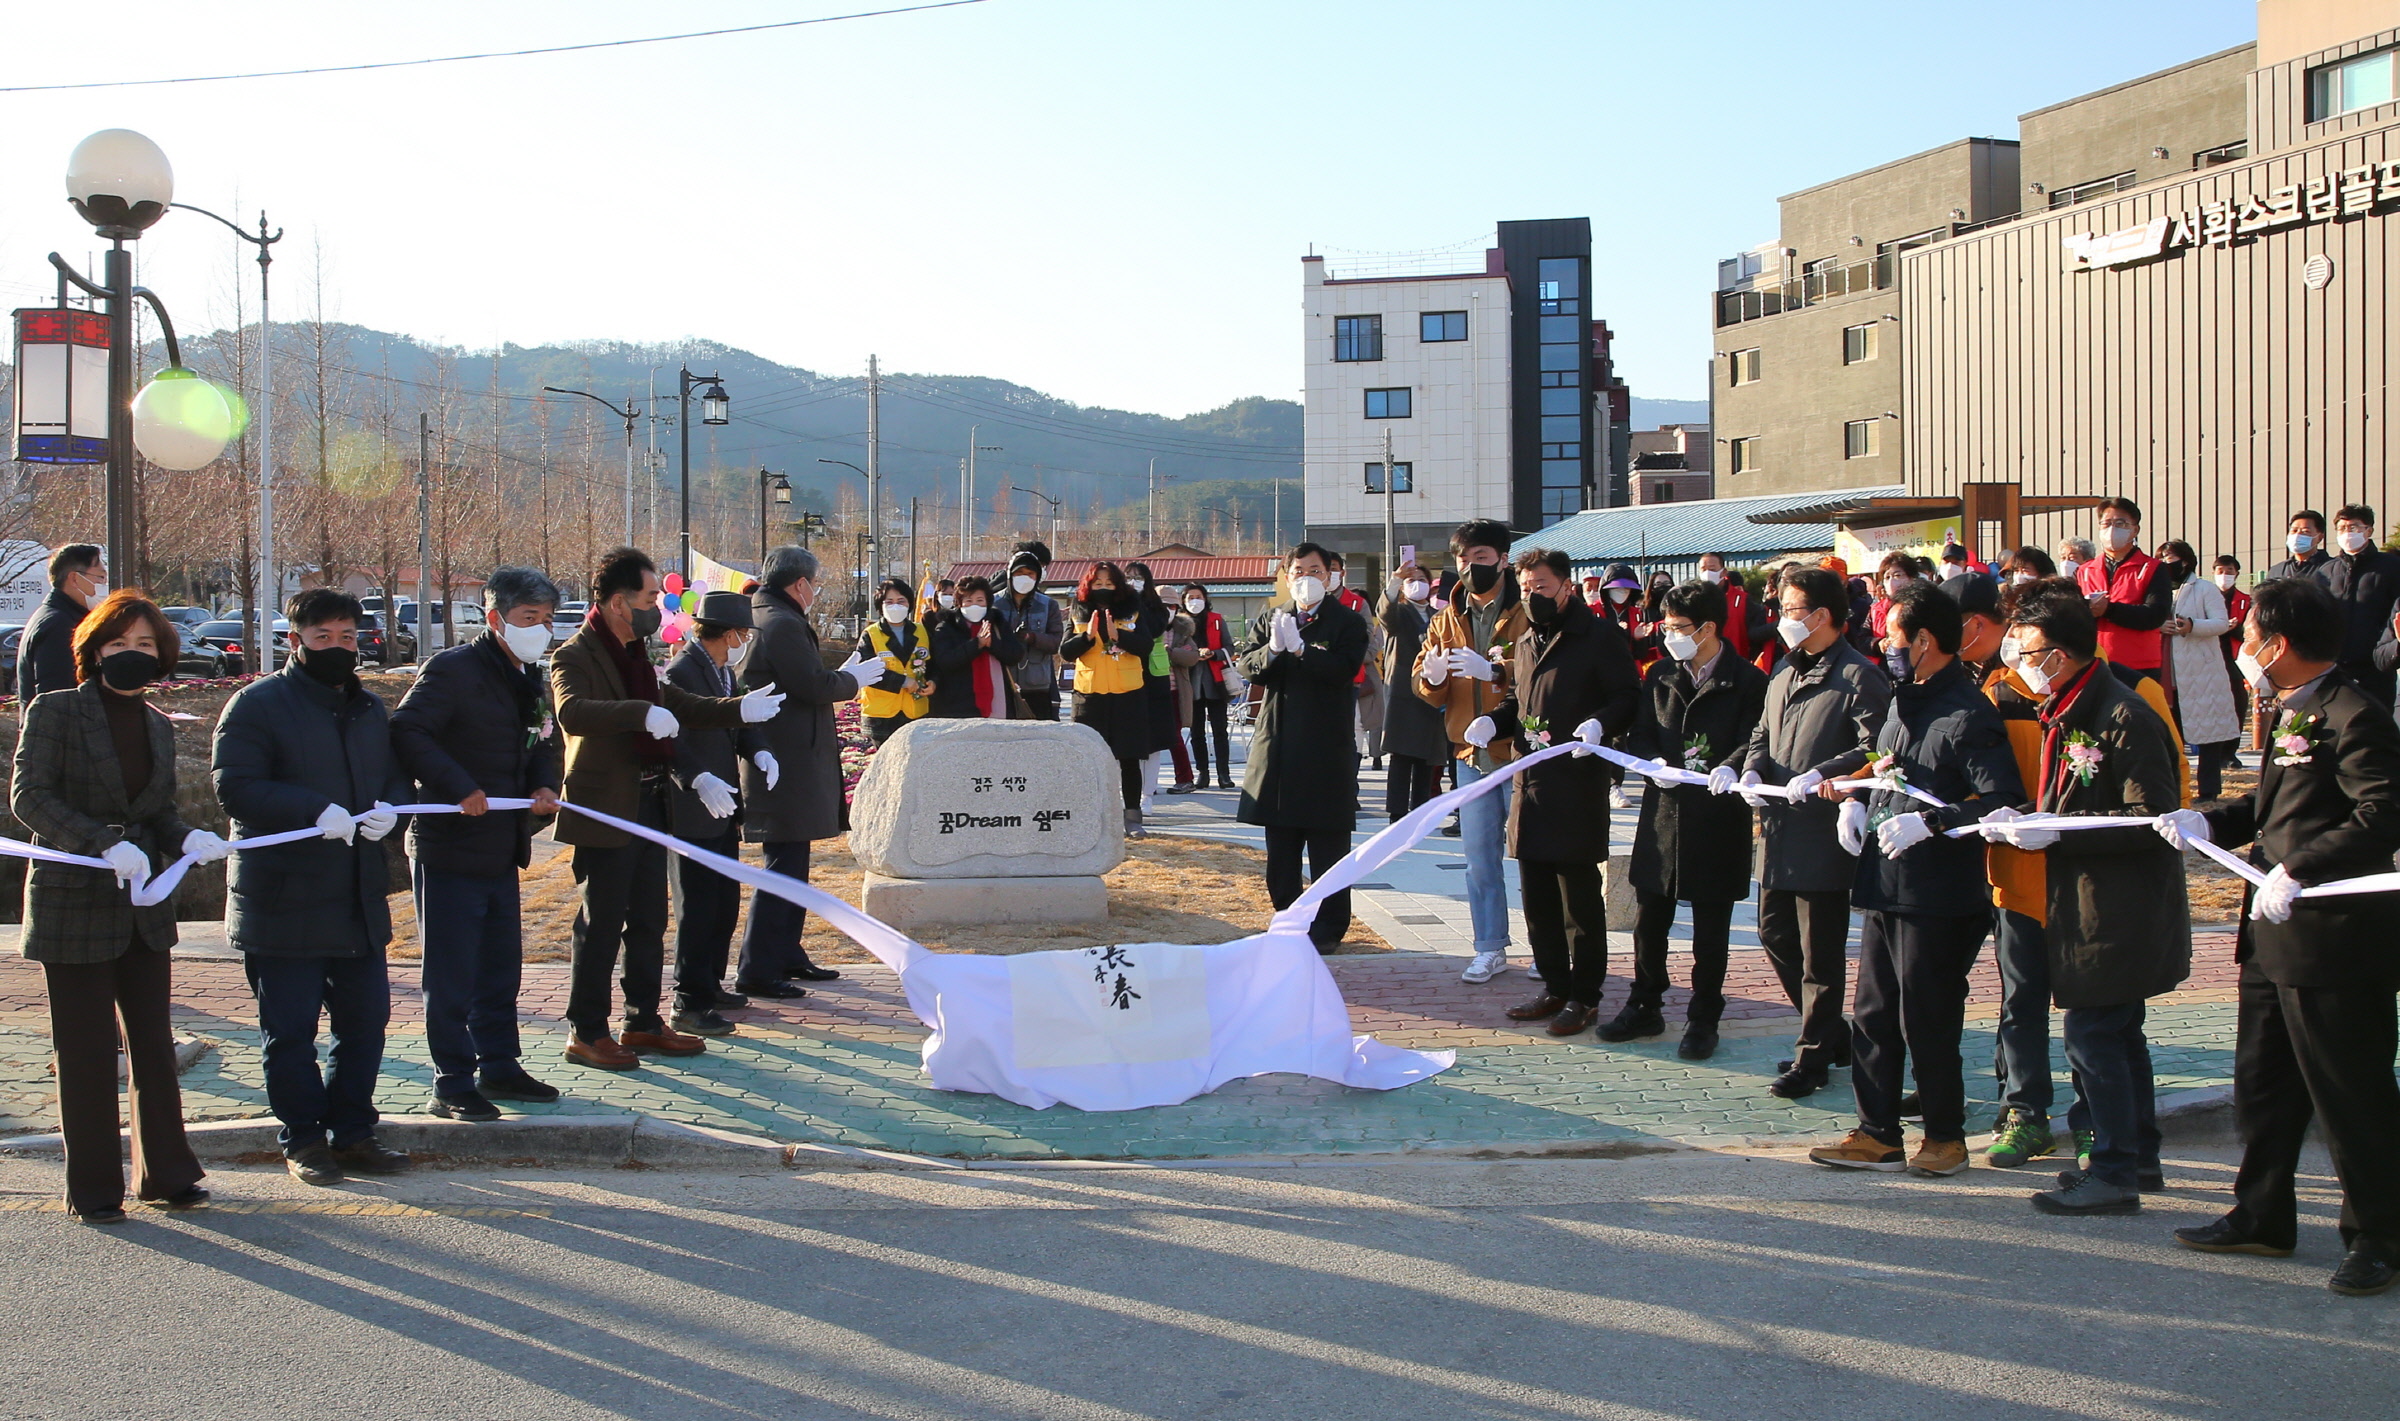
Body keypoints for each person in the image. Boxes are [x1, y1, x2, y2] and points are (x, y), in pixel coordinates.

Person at [2159, 576, 2400, 1296]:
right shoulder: (2295, 709)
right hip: (2272, 934)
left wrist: (2300, 867)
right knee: (2263, 1085)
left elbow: (2381, 816)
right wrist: (2208, 819)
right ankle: (2262, 1212)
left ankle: (2378, 1235)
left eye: (2250, 633)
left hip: (2335, 941)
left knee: (2349, 1094)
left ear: (2281, 642)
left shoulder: (2355, 713)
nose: (2244, 647)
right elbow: (2274, 811)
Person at [12, 592, 222, 1222]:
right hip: (72, 901)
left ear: (162, 656)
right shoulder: (55, 711)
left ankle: (167, 1173)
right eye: (118, 644)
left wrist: (186, 837)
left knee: (153, 1044)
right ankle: (95, 1188)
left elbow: (155, 811)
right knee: (85, 1049)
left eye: (145, 646)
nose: (131, 655)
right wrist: (101, 844)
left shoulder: (158, 722)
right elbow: (30, 797)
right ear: (92, 651)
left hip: (143, 904)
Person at [1808, 583, 2021, 1177]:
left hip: (1938, 894)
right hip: (1884, 880)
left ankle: (1945, 1137)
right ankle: (1877, 1132)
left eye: (1892, 636)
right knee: (1873, 1013)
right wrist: (1855, 797)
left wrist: (1932, 824)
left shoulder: (1969, 713)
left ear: (1925, 641)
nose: (1884, 645)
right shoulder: (1904, 700)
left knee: (1927, 1018)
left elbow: (2002, 801)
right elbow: (1885, 763)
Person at [1988, 587, 2189, 1216]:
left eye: (2028, 648)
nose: (2017, 658)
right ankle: (2138, 1156)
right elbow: (2068, 803)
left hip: (2115, 906)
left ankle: (2113, 1170)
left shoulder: (2121, 712)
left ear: (2062, 652)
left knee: (2095, 1038)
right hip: (2086, 897)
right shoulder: (2064, 707)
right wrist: (2024, 818)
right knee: (2118, 1036)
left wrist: (2060, 833)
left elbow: (2151, 816)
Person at [551, 547, 788, 1071]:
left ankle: (641, 1021)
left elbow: (680, 705)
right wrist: (639, 715)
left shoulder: (639, 657)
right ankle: (586, 1031)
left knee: (648, 919)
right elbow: (572, 711)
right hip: (606, 808)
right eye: (650, 596)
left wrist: (740, 709)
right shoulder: (575, 655)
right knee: (602, 922)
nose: (659, 605)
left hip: (650, 804)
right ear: (618, 602)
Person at [214, 589, 416, 1185]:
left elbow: (396, 779)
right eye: (323, 637)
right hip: (282, 897)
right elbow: (237, 787)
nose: (338, 648)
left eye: (348, 637)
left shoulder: (369, 708)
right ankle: (303, 1137)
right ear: (294, 639)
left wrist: (393, 811)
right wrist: (311, 809)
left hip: (355, 894)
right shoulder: (257, 705)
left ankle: (354, 1131)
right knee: (291, 1030)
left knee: (366, 1021)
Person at [388, 567, 566, 1122]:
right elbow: (407, 732)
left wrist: (544, 784)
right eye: (528, 619)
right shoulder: (454, 671)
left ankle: (500, 1063)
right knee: (451, 971)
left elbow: (545, 738)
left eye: (545, 620)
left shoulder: (529, 675)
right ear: (495, 619)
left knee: (499, 965)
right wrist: (457, 786)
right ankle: (452, 1080)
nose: (539, 630)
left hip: (500, 843)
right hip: (449, 844)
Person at [1739, 566, 1890, 1098]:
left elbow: (1877, 748)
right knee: (1774, 934)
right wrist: (1753, 768)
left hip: (1824, 831)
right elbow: (1763, 729)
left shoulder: (1858, 675)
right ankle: (1832, 1036)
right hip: (1779, 828)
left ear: (1822, 616)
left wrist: (1827, 772)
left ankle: (1812, 1058)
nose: (1781, 620)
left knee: (1819, 953)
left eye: (1791, 610)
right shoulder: (1783, 670)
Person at [1603, 578, 1768, 1059]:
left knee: (1710, 929)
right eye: (1666, 626)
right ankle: (1645, 1004)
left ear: (1709, 628)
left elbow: (1755, 737)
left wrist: (1731, 765)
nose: (1668, 635)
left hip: (1718, 817)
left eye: (1678, 628)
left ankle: (1704, 1017)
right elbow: (1640, 731)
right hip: (1663, 816)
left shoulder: (1748, 681)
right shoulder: (1661, 676)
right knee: (1649, 920)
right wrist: (1652, 761)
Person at [1482, 548, 1639, 1036]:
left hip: (1576, 783)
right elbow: (1517, 698)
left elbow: (1628, 696)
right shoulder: (1526, 639)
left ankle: (1585, 995)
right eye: (1526, 588)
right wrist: (1493, 720)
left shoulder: (1598, 636)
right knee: (1537, 898)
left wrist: (1600, 724)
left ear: (1567, 586)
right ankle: (1553, 984)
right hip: (1529, 787)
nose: (1532, 596)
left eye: (1542, 587)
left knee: (1579, 901)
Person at [739, 545, 871, 994]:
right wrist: (854, 679)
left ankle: (786, 953)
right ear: (800, 585)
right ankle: (759, 969)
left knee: (792, 863)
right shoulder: (780, 623)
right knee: (782, 867)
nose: (815, 591)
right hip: (785, 760)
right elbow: (812, 685)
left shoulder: (766, 614)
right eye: (814, 584)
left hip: (784, 756)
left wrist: (845, 673)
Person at [1237, 543, 1368, 952]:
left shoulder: (1347, 621)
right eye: (1299, 570)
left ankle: (1329, 928)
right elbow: (1246, 665)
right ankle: (1289, 921)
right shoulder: (1271, 617)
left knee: (1329, 846)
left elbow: (1344, 670)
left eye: (1316, 569)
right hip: (1278, 745)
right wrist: (1274, 649)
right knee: (1282, 850)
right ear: (1286, 575)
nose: (1307, 577)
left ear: (1329, 577)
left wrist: (1302, 650)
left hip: (1326, 747)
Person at [1415, 519, 1530, 984]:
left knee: (1535, 857)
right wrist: (1434, 678)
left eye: (1480, 558)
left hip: (1522, 751)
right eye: (1462, 559)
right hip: (1470, 755)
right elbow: (1425, 685)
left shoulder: (1526, 610)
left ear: (1503, 560)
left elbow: (1540, 676)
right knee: (1479, 859)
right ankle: (1489, 946)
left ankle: (1547, 946)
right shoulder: (1446, 618)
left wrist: (1497, 672)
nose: (1469, 568)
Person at [662, 590, 778, 1037]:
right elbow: (673, 742)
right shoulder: (682, 671)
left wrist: (761, 751)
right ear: (729, 633)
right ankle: (687, 1000)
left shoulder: (723, 671)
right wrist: (695, 778)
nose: (745, 641)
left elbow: (736, 723)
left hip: (723, 806)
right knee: (696, 907)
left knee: (722, 902)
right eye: (743, 634)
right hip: (695, 805)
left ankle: (709, 983)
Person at [1061, 561, 1155, 837]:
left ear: (1119, 586)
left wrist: (1119, 636)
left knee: (1129, 759)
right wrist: (1088, 636)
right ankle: (1089, 814)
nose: (1102, 589)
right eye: (1097, 584)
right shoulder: (1078, 611)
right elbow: (1065, 651)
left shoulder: (1134, 609)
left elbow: (1146, 646)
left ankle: (1132, 818)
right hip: (1089, 695)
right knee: (1087, 759)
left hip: (1128, 693)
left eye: (1109, 584)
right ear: (1088, 587)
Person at [2158, 540, 2240, 800]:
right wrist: (2159, 626)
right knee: (2171, 733)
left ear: (2186, 561)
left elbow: (2220, 623)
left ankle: (2209, 790)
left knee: (2208, 733)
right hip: (2165, 666)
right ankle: (2175, 788)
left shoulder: (2204, 588)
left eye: (2173, 558)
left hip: (2200, 669)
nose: (2168, 563)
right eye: (2163, 558)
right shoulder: (2157, 589)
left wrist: (2191, 626)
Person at [2077, 497, 2172, 689]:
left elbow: (2155, 615)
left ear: (2135, 530)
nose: (2112, 529)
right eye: (2106, 523)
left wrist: (2109, 610)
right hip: (2094, 663)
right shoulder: (2085, 570)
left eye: (2120, 523)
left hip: (2140, 665)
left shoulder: (2152, 568)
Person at [1378, 565, 1449, 821]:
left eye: (1421, 579)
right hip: (1403, 693)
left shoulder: (1438, 615)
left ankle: (1420, 810)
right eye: (1411, 580)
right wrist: (1396, 579)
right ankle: (1397, 813)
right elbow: (1384, 612)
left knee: (1427, 757)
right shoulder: (1400, 613)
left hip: (1431, 692)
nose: (1416, 584)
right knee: (1401, 755)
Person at [2315, 503, 2400, 707]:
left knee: (2376, 731)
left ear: (2369, 530)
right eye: (2342, 529)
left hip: (2376, 669)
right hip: (2334, 669)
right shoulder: (2326, 571)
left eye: (2354, 528)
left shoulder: (2391, 567)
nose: (2347, 533)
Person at [1126, 561, 1195, 801]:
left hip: (1168, 687)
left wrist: (1171, 653)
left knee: (1169, 738)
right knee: (1138, 741)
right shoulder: (1123, 608)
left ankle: (1179, 779)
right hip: (1131, 682)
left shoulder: (1179, 628)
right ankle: (1138, 789)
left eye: (1173, 605)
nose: (1169, 609)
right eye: (1165, 604)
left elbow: (1191, 655)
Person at [926, 575, 1025, 718]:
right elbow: (944, 661)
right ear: (960, 603)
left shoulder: (997, 622)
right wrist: (976, 644)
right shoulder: (947, 625)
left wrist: (992, 644)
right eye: (969, 601)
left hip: (999, 700)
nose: (974, 605)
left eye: (980, 601)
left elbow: (1015, 655)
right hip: (957, 703)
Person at [19, 543, 105, 702]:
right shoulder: (59, 625)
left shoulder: (58, 616)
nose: (104, 585)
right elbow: (56, 696)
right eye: (100, 577)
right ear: (74, 578)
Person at [859, 579, 932, 746]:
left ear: (909, 604)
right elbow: (867, 671)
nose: (895, 606)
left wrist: (934, 681)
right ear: (880, 605)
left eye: (901, 601)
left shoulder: (921, 630)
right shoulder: (870, 634)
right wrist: (903, 682)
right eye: (889, 602)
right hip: (882, 715)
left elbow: (933, 664)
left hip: (915, 711)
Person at [997, 548, 1064, 721]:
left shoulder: (1049, 605)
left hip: (1038, 685)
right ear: (1010, 575)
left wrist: (1032, 637)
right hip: (1003, 682)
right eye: (1019, 573)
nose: (1024, 578)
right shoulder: (993, 603)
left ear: (1037, 577)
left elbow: (1056, 643)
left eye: (1030, 573)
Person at [1182, 584, 1236, 789]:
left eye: (1199, 597)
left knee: (1220, 730)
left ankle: (1224, 774)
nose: (1195, 601)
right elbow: (1177, 648)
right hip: (1191, 683)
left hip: (1216, 682)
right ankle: (1202, 773)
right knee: (1196, 732)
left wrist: (1215, 654)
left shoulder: (1216, 620)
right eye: (1190, 597)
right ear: (1184, 601)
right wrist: (1193, 655)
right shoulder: (1180, 622)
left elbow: (1229, 647)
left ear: (1205, 599)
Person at [1695, 551, 1766, 663]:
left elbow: (1754, 636)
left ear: (1723, 572)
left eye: (1712, 569)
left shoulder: (1743, 600)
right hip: (1702, 664)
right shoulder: (1693, 600)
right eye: (1703, 569)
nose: (1707, 573)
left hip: (1737, 665)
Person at [2216, 555, 2254, 738]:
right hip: (2211, 656)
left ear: (2237, 573)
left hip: (2235, 658)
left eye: (2229, 571)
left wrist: (2234, 628)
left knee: (2237, 701)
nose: (2224, 575)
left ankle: (2232, 749)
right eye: (2220, 571)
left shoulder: (2246, 601)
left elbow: (2251, 632)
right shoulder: (2207, 597)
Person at [2262, 508, 2330, 584]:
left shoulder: (2331, 568)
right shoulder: (2277, 570)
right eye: (2294, 530)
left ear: (2320, 537)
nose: (2298, 535)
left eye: (2305, 531)